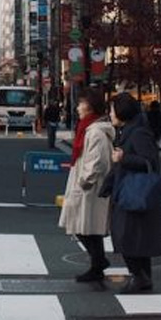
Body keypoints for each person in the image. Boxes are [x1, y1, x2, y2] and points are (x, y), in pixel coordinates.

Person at [105, 93, 161, 294]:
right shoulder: (129, 130)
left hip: (134, 192)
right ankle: (143, 278)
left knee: (126, 236)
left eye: (112, 110)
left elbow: (149, 162)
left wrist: (124, 158)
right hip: (129, 191)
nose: (110, 114)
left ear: (122, 111)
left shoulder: (138, 132)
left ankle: (139, 277)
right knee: (135, 238)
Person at [58, 87, 116, 283]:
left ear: (90, 107)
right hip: (86, 184)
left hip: (90, 187)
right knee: (84, 226)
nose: (78, 107)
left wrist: (84, 181)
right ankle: (98, 263)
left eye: (81, 103)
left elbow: (97, 161)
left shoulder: (95, 131)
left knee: (84, 226)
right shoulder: (87, 127)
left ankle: (98, 263)